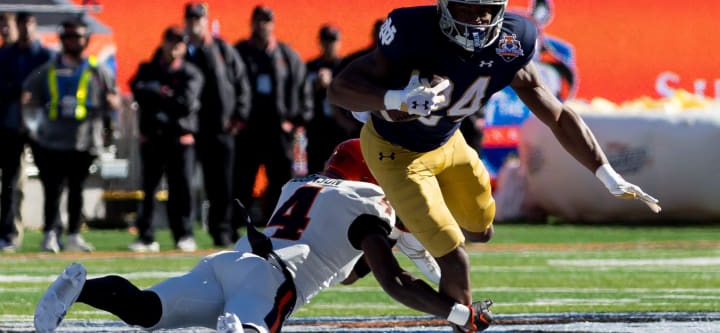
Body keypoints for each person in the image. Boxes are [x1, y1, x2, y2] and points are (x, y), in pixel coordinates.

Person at [328, 0, 661, 313]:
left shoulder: (511, 42)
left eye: (487, 11)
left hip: (448, 141)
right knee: (455, 260)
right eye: (468, 9)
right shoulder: (414, 32)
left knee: (481, 230)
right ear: (443, 4)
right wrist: (393, 98)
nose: (479, 20)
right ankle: (461, 315)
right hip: (396, 153)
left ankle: (400, 228)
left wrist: (605, 172)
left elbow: (559, 115)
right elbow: (340, 89)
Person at [34, 139, 494, 333]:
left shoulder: (298, 185)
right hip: (273, 282)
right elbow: (396, 282)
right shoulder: (369, 210)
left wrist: (385, 244)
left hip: (228, 261)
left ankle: (80, 289)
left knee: (146, 310)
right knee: (251, 325)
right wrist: (457, 311)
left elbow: (343, 264)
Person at [21, 18, 120, 253]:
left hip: (84, 140)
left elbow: (115, 100)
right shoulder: (47, 70)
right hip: (51, 141)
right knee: (52, 192)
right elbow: (28, 98)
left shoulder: (97, 70)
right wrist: (32, 129)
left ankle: (74, 234)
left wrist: (108, 116)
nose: (73, 41)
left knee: (77, 190)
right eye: (69, 37)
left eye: (78, 37)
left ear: (85, 40)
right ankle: (50, 234)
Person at [234, 5, 313, 225]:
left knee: (280, 180)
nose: (263, 25)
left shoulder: (286, 55)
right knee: (243, 180)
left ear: (273, 24)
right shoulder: (240, 53)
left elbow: (302, 87)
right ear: (252, 23)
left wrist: (298, 120)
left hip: (278, 130)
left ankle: (278, 224)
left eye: (267, 21)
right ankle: (238, 225)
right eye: (259, 20)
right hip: (249, 129)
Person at [128, 25, 204, 252]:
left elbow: (185, 103)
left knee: (181, 189)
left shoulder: (191, 72)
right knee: (149, 189)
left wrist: (158, 94)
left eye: (179, 43)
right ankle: (146, 236)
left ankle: (184, 234)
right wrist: (163, 96)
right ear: (163, 43)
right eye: (171, 41)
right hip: (153, 138)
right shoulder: (148, 68)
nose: (174, 47)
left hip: (179, 139)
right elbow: (137, 90)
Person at [183, 1, 251, 248]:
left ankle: (222, 230)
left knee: (222, 184)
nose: (194, 23)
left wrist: (238, 117)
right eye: (190, 18)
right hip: (192, 129)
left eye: (198, 18)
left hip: (221, 129)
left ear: (206, 20)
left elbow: (242, 83)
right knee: (186, 184)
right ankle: (185, 233)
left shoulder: (223, 49)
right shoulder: (182, 50)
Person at [0, 11, 55, 252]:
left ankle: (52, 231)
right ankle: (9, 233)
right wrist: (16, 91)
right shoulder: (5, 56)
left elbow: (52, 88)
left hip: (39, 127)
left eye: (28, 24)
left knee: (51, 180)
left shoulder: (45, 57)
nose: (24, 29)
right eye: (20, 24)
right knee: (10, 181)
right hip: (11, 125)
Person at [305, 24, 353, 173]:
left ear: (339, 42)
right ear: (319, 42)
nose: (329, 45)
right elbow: (301, 94)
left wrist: (330, 85)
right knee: (315, 168)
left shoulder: (347, 65)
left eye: (333, 41)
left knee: (342, 168)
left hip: (340, 126)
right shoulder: (311, 66)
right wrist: (315, 86)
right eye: (326, 41)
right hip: (317, 125)